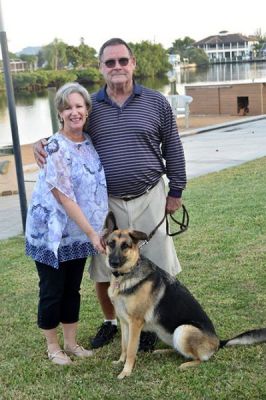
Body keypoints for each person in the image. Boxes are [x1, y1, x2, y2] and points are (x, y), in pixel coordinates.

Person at [33, 38, 187, 352]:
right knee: (105, 269)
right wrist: (43, 142)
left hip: (150, 195)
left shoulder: (157, 102)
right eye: (109, 63)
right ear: (101, 68)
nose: (116, 67)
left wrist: (177, 191)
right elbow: (69, 132)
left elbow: (173, 147)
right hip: (108, 205)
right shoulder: (91, 105)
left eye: (122, 61)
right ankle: (111, 322)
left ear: (133, 64)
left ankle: (152, 324)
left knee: (159, 262)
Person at [26, 82, 108, 365]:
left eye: (79, 106)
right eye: (68, 107)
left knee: (72, 289)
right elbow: (64, 197)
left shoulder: (88, 141)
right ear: (59, 113)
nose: (74, 112)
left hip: (78, 232)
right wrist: (92, 232)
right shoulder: (54, 147)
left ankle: (71, 343)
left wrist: (91, 229)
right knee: (52, 289)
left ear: (87, 110)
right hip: (53, 233)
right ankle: (53, 347)